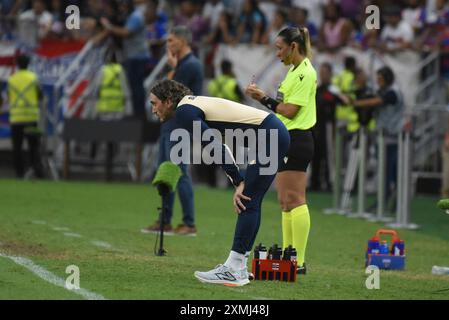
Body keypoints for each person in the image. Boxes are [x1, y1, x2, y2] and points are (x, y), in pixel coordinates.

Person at [149, 79, 290, 286]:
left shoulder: (185, 112)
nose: (153, 109)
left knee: (247, 201)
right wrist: (238, 179)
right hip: (272, 134)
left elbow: (213, 145)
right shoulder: (188, 106)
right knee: (251, 201)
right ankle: (238, 267)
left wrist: (238, 181)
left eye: (154, 103)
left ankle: (235, 269)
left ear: (168, 101)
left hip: (270, 136)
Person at [245, 27, 317, 274]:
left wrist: (262, 98)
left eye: (279, 48)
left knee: (295, 199)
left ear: (293, 46)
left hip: (298, 138)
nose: (277, 54)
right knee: (285, 202)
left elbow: (289, 111)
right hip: (288, 137)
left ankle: (299, 261)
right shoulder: (295, 70)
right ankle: (289, 257)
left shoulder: (304, 73)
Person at [141, 26, 202, 236]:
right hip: (170, 126)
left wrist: (172, 69)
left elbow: (172, 96)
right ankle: (165, 220)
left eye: (171, 41)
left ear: (183, 42)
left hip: (180, 127)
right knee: (166, 172)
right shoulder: (183, 65)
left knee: (180, 173)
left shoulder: (191, 66)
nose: (168, 45)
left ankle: (189, 223)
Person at [350, 66, 404, 212]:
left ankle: (387, 202)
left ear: (387, 78)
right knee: (389, 172)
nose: (378, 81)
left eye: (380, 78)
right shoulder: (386, 90)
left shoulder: (393, 92)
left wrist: (356, 103)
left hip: (392, 137)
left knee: (389, 172)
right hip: (385, 137)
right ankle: (392, 203)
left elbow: (378, 101)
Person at [100, 0, 151, 120]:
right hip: (132, 56)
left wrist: (109, 27)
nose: (121, 7)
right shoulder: (131, 16)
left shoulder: (136, 17)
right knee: (133, 87)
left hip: (138, 57)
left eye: (124, 5)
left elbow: (126, 32)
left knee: (137, 88)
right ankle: (137, 114)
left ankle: (140, 116)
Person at [7, 54, 44, 179]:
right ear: (28, 63)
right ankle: (36, 172)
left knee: (17, 147)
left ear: (17, 64)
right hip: (31, 118)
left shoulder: (11, 79)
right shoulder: (33, 78)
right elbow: (40, 95)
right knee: (33, 146)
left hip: (16, 119)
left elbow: (8, 96)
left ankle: (19, 173)